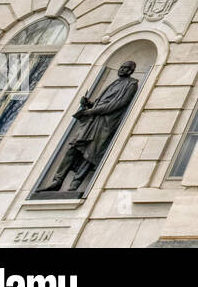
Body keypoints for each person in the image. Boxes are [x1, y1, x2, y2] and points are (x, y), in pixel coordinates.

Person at [38, 61, 139, 193]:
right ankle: (57, 181)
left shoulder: (131, 84)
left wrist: (92, 111)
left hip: (105, 123)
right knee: (73, 148)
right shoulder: (115, 82)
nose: (121, 69)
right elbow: (102, 102)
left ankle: (74, 185)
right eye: (121, 66)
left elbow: (118, 104)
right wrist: (89, 104)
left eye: (125, 68)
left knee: (90, 154)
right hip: (92, 120)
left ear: (131, 71)